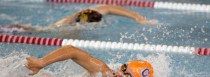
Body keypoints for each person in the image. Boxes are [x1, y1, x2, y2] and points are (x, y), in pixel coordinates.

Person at [25, 45, 154, 77]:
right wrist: (42, 62)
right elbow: (72, 50)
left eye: (127, 76)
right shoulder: (104, 73)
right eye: (123, 68)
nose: (120, 73)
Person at [2, 5, 156, 33]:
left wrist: (138, 17)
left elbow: (110, 7)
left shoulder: (88, 13)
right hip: (51, 29)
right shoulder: (69, 26)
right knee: (32, 30)